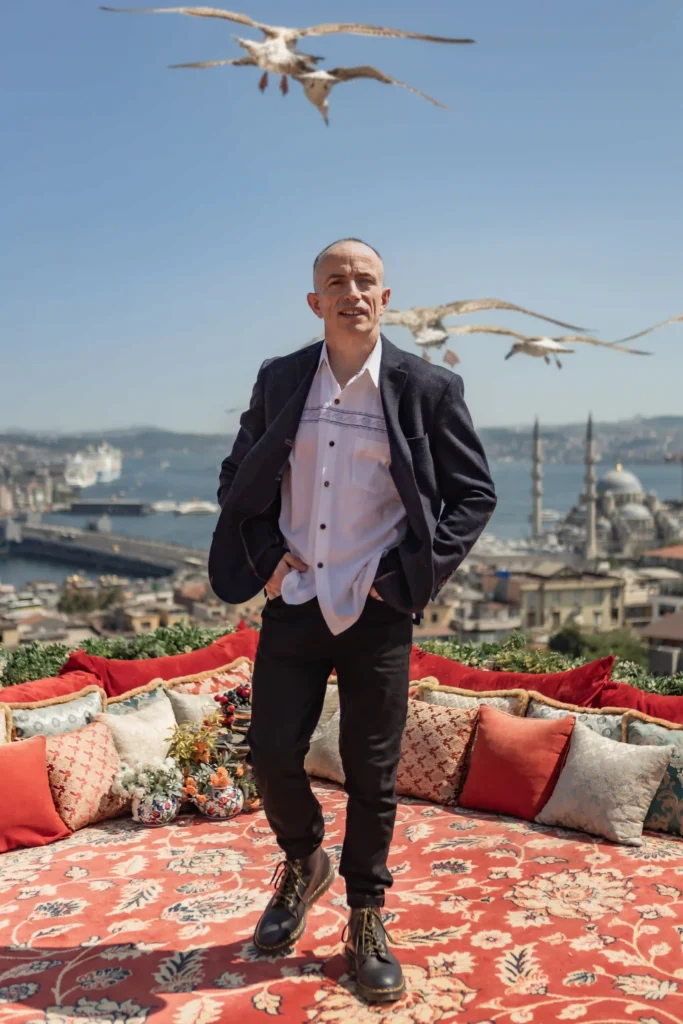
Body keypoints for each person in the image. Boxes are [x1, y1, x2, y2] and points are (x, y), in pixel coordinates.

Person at [209, 239, 496, 1004]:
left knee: (372, 778)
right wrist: (267, 555)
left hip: (377, 610)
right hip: (295, 602)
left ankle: (365, 915)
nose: (351, 291)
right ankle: (304, 862)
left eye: (364, 280)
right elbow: (238, 477)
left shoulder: (427, 386)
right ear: (315, 302)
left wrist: (404, 579)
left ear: (385, 296)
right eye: (335, 281)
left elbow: (472, 495)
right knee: (271, 754)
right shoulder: (280, 381)